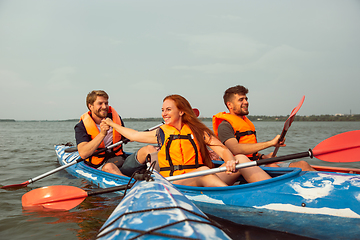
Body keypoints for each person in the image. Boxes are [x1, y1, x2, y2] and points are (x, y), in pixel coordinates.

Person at [104, 94, 271, 187]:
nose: (164, 114)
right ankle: (237, 200)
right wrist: (112, 123)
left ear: (182, 112)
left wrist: (229, 161)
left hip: (202, 177)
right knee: (202, 171)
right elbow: (133, 135)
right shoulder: (161, 133)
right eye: (163, 110)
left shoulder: (199, 131)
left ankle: (276, 190)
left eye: (169, 110)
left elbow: (222, 149)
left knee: (241, 159)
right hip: (176, 182)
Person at [213, 85, 315, 171]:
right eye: (241, 100)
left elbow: (251, 151)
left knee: (303, 164)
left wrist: (263, 157)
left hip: (256, 163)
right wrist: (270, 143)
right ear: (229, 105)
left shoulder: (246, 123)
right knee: (273, 165)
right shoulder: (225, 126)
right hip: (242, 168)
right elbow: (235, 149)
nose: (246, 102)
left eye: (246, 99)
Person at [74, 90, 156, 177]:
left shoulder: (114, 119)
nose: (104, 106)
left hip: (121, 160)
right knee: (109, 167)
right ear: (90, 106)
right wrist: (102, 134)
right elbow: (83, 154)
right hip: (100, 166)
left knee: (149, 149)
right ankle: (131, 185)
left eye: (106, 103)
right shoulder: (81, 126)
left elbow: (127, 137)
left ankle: (162, 178)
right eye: (100, 103)